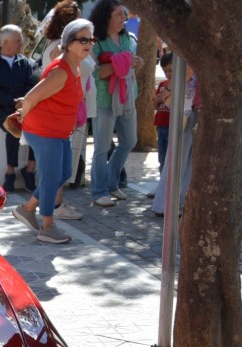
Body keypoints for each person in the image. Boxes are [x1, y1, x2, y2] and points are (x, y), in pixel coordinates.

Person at [10, 18, 96, 244]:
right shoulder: (61, 70)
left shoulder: (74, 64)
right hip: (44, 130)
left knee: (64, 172)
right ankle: (47, 226)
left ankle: (27, 208)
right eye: (83, 39)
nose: (89, 44)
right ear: (68, 43)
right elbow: (30, 98)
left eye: (91, 39)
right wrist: (22, 115)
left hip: (58, 131)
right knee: (50, 177)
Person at [88, 1, 143, 208]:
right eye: (119, 14)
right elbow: (97, 72)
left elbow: (130, 64)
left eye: (125, 14)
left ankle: (111, 182)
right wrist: (122, 62)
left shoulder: (128, 38)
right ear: (107, 17)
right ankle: (99, 191)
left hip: (127, 97)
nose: (124, 18)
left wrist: (134, 62)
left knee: (129, 141)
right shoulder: (97, 42)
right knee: (102, 147)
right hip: (104, 99)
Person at [40, 0, 86, 220]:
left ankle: (50, 205)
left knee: (62, 165)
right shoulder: (59, 47)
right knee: (59, 166)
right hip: (60, 112)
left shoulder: (58, 45)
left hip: (64, 110)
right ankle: (51, 207)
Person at [0, 25, 37, 193]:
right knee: (13, 126)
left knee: (38, 126)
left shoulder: (24, 62)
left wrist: (24, 101)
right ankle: (10, 172)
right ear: (5, 42)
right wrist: (14, 102)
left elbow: (31, 84)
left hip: (23, 106)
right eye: (18, 40)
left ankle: (30, 170)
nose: (21, 43)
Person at [152, 59, 200, 216]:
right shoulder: (184, 65)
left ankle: (176, 203)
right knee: (176, 161)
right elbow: (167, 93)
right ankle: (163, 205)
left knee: (191, 162)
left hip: (197, 113)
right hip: (185, 114)